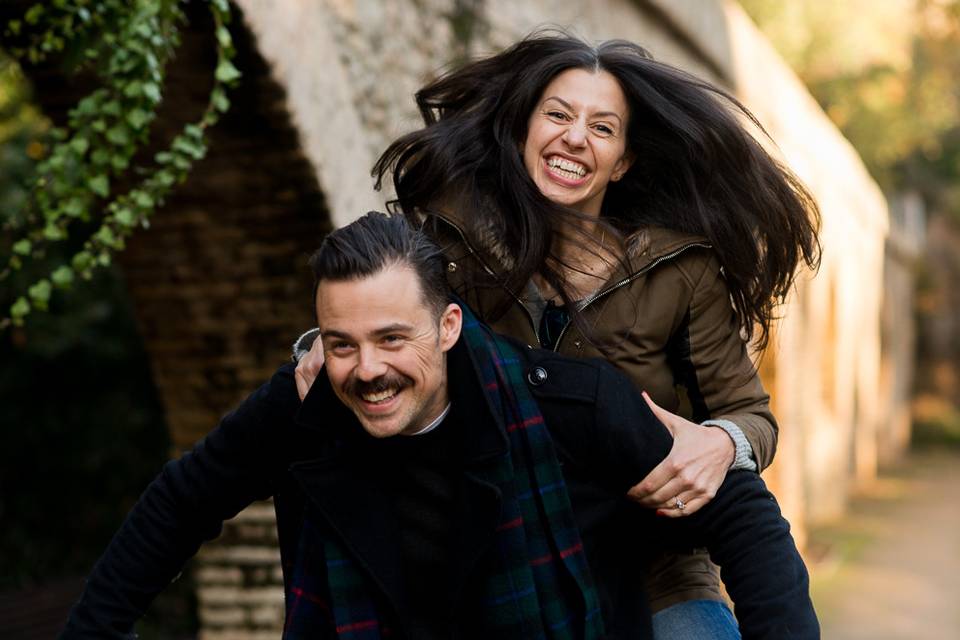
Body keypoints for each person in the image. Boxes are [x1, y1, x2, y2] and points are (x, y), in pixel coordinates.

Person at [62, 212, 818, 639]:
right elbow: (177, 504)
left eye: (393, 338)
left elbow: (745, 515)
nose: (367, 370)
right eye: (341, 344)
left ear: (450, 325)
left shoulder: (570, 406)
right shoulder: (303, 410)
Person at [294, 30, 821, 638]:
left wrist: (725, 443)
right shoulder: (460, 247)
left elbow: (751, 414)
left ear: (622, 161)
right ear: (525, 131)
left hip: (655, 567)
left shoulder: (683, 271)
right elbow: (385, 316)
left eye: (602, 128)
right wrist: (316, 344)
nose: (575, 136)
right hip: (512, 562)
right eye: (559, 115)